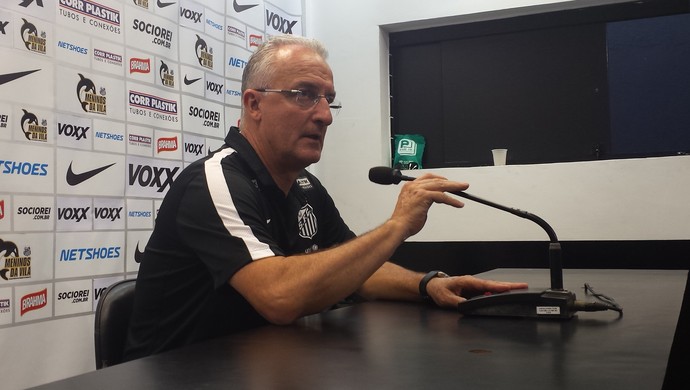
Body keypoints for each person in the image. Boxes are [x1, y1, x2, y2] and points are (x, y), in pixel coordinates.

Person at [123, 35, 527, 361]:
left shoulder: (304, 186)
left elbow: (357, 266)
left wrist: (428, 284)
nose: (325, 115)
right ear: (254, 104)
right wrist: (397, 225)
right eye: (304, 94)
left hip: (261, 367)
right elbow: (279, 298)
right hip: (179, 375)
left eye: (327, 99)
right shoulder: (213, 180)